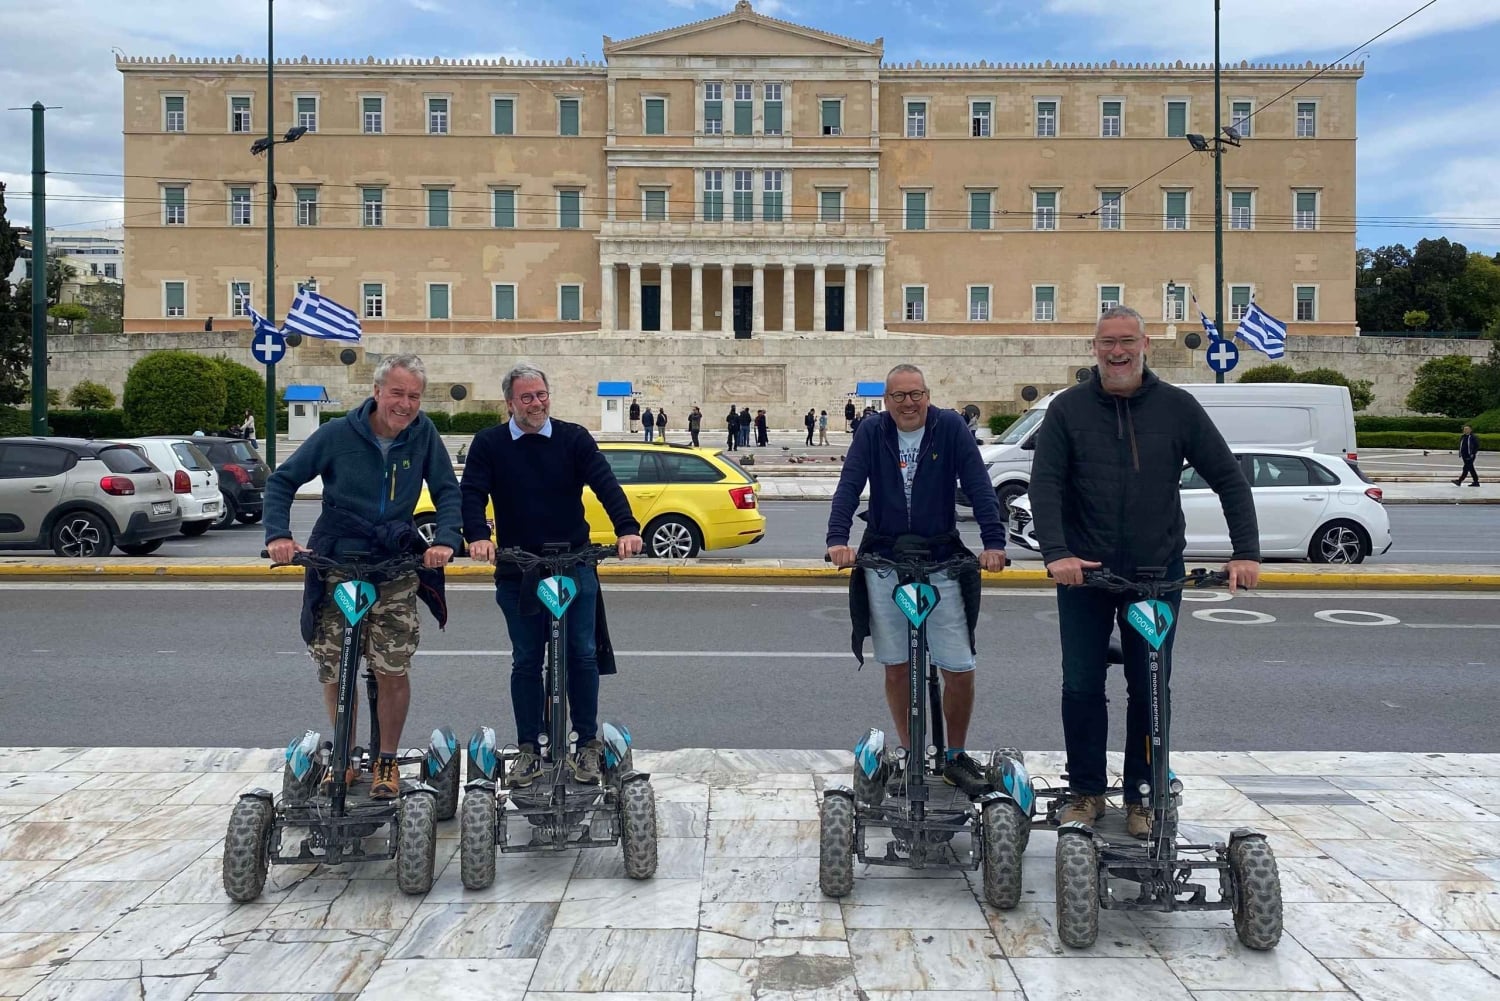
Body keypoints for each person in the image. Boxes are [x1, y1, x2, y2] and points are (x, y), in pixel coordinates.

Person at [1029, 305, 1260, 839]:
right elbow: (1045, 486)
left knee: (1150, 688)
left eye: (1127, 341)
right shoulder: (1068, 409)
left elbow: (1228, 477)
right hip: (1084, 573)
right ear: (1093, 348)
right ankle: (1086, 791)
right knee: (1081, 684)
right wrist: (1056, 553)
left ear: (1145, 344)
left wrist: (1245, 551)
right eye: (1107, 342)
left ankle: (1142, 794)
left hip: (1156, 573)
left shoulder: (1178, 407)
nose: (1117, 351)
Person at [263, 354, 461, 800]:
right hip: (338, 561)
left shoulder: (423, 434)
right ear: (376, 392)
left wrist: (445, 539)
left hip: (392, 565)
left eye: (413, 396)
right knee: (336, 666)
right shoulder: (338, 434)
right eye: (397, 394)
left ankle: (386, 759)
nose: (406, 405)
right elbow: (282, 482)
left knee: (392, 666)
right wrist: (279, 535)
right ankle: (344, 757)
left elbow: (448, 490)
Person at [826, 364, 1008, 797]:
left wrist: (993, 542)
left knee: (959, 666)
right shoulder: (872, 432)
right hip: (886, 556)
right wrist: (837, 540)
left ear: (928, 395)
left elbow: (980, 486)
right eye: (898, 397)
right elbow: (849, 485)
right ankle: (911, 752)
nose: (908, 403)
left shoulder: (951, 429)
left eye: (916, 395)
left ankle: (954, 754)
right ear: (886, 401)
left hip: (940, 556)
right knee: (897, 666)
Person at [460, 363, 644, 787]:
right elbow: (472, 492)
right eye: (527, 397)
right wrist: (476, 536)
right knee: (526, 659)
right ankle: (528, 747)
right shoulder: (489, 444)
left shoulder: (572, 438)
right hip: (518, 568)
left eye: (542, 394)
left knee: (581, 653)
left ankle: (587, 743)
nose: (537, 403)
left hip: (573, 562)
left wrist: (627, 528)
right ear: (509, 403)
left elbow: (604, 482)